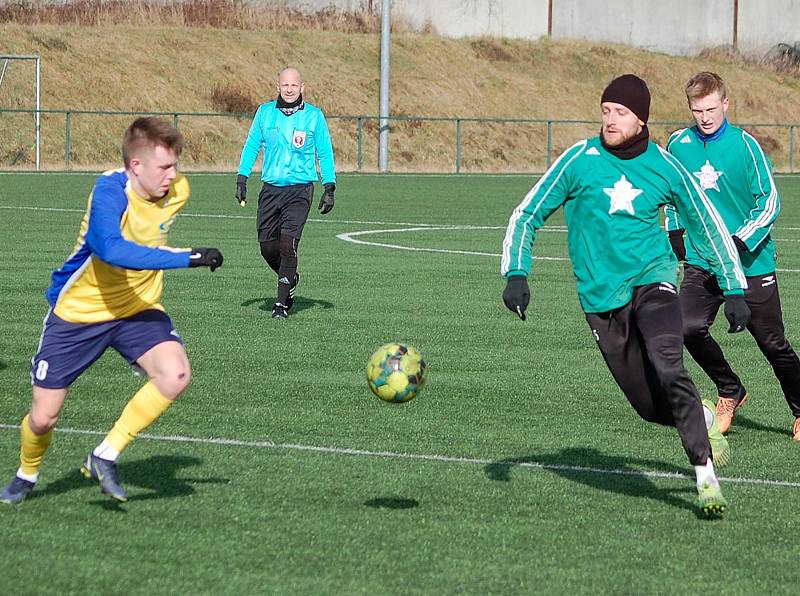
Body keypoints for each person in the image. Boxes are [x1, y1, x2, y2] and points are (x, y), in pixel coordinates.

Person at [501, 74, 750, 517]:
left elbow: (707, 222)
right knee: (649, 406)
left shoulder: (664, 165)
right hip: (600, 301)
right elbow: (527, 213)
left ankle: (705, 477)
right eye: (606, 111)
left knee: (668, 362)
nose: (610, 120)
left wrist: (733, 288)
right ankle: (704, 418)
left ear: (641, 120)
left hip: (653, 280)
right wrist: (517, 273)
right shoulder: (580, 159)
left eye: (620, 113)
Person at [0, 117, 224, 504]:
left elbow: (150, 239)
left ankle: (105, 455)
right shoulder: (108, 191)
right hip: (80, 312)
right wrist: (186, 258)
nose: (173, 175)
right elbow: (110, 249)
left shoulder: (179, 191)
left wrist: (175, 256)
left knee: (176, 374)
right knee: (43, 418)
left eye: (176, 165)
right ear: (135, 166)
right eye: (164, 167)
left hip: (137, 307)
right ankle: (27, 473)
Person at [666, 71, 800, 440]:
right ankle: (730, 390)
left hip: (751, 262)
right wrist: (675, 231)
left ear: (726, 103)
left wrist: (738, 243)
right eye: (697, 110)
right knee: (686, 327)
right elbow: (673, 194)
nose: (705, 117)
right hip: (703, 261)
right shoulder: (678, 144)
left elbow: (770, 202)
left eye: (711, 108)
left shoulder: (746, 146)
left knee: (772, 343)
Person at [235, 66, 336, 319]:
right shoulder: (264, 113)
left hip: (300, 191)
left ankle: (281, 305)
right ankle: (290, 277)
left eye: (294, 85)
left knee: (288, 244)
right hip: (270, 189)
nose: (289, 89)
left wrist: (329, 186)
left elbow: (324, 152)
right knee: (267, 248)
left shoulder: (314, 116)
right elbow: (251, 146)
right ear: (278, 87)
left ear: (302, 87)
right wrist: (242, 177)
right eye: (285, 85)